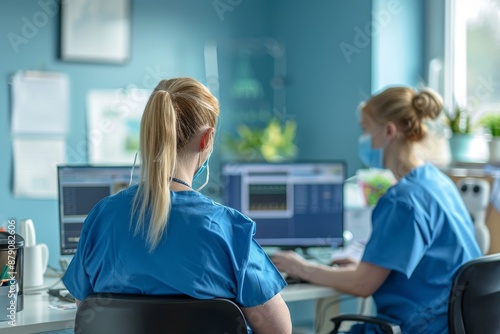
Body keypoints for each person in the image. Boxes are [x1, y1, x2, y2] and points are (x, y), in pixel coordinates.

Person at [62, 77, 292, 334]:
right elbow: (278, 330)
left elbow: (86, 311)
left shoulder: (102, 218)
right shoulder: (228, 230)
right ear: (207, 139)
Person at [272, 86, 481, 333]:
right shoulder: (437, 181)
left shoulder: (402, 200)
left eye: (366, 130)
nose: (364, 140)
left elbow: (362, 285)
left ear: (389, 131)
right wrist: (369, 265)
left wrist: (300, 267)